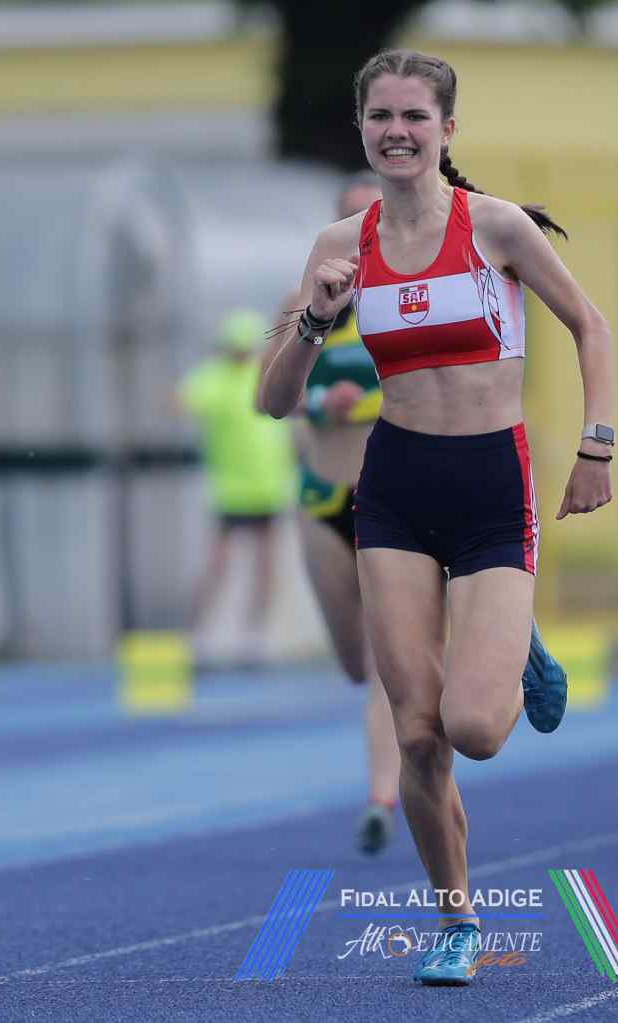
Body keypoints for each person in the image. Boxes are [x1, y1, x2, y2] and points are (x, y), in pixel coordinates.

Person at [259, 49, 615, 985]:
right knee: (416, 732)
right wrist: (316, 320)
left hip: (491, 485)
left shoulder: (495, 226)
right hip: (395, 489)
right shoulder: (340, 244)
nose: (398, 132)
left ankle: (516, 641)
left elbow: (591, 325)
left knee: (477, 729)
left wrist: (597, 446)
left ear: (447, 129)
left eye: (415, 116)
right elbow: (274, 400)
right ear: (362, 128)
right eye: (381, 116)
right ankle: (456, 919)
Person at [256, 173, 402, 856]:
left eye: (370, 218)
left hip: (391, 500)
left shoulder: (412, 300)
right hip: (321, 502)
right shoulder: (300, 303)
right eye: (347, 220)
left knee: (384, 661)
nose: (358, 234)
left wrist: (365, 403)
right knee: (353, 664)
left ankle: (382, 798)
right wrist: (321, 402)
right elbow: (267, 398)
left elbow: (449, 390)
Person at [178, 310, 296, 662]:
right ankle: (197, 635)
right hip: (232, 487)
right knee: (221, 562)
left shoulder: (259, 373)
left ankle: (254, 634)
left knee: (263, 562)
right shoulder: (215, 377)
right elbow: (182, 401)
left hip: (267, 483)